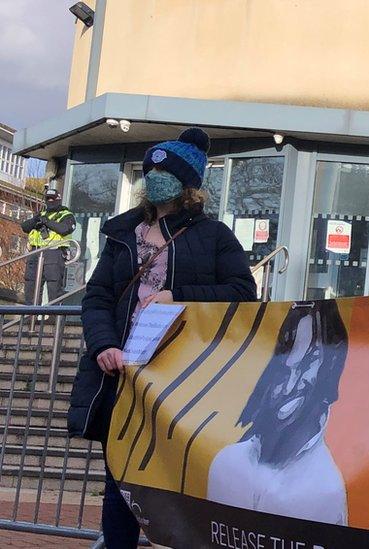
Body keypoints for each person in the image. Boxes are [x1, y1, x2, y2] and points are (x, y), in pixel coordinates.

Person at [66, 128, 257, 549]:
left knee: (179, 476)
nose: (154, 177)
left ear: (188, 183)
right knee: (120, 474)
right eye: (150, 170)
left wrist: (178, 296)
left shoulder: (214, 236)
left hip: (182, 377)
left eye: (164, 171)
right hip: (123, 373)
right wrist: (102, 345)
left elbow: (243, 293)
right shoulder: (122, 235)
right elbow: (97, 296)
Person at [207, 300, 348, 525]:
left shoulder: (325, 487)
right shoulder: (228, 463)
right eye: (286, 358)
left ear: (330, 367)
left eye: (309, 360)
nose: (290, 384)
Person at [21, 186, 75, 304]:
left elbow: (65, 229)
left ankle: (53, 320)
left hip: (54, 254)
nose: (50, 202)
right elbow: (24, 227)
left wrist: (47, 222)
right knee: (31, 287)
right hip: (35, 253)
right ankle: (30, 319)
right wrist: (36, 220)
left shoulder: (66, 214)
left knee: (54, 289)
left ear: (58, 199)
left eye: (53, 199)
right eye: (48, 199)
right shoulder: (41, 214)